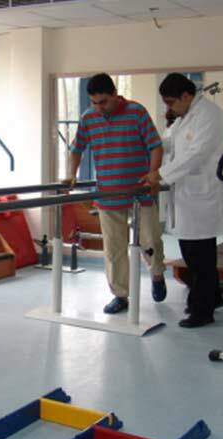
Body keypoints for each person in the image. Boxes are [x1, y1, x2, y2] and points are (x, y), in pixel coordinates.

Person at [66, 73, 166, 315]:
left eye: (103, 102)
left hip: (140, 191)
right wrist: (71, 175)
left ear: (114, 94)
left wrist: (153, 173)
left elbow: (155, 146)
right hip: (108, 193)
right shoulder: (88, 118)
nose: (99, 107)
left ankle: (156, 273)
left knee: (151, 241)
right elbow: (76, 149)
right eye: (94, 103)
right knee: (114, 249)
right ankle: (120, 295)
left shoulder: (136, 112)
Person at [142, 73, 223, 328]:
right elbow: (170, 143)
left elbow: (197, 153)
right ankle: (213, 297)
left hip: (203, 196)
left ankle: (202, 311)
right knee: (195, 254)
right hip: (188, 196)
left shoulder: (209, 115)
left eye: (171, 102)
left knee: (199, 257)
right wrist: (148, 144)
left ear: (186, 95)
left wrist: (160, 174)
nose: (169, 108)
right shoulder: (185, 117)